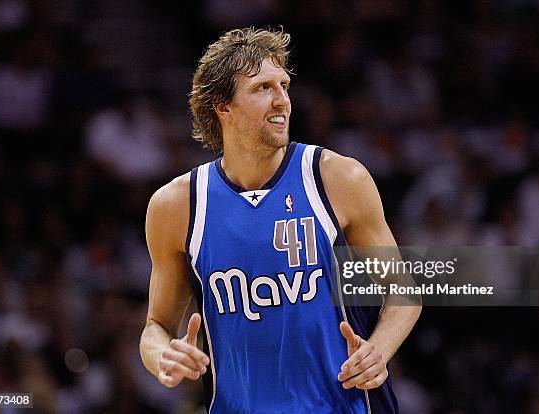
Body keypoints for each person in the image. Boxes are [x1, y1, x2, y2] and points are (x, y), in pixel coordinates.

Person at [140, 27, 422, 413]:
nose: (283, 101)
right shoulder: (176, 206)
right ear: (223, 107)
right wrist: (162, 356)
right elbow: (156, 325)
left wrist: (378, 350)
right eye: (262, 88)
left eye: (284, 85)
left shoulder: (338, 178)